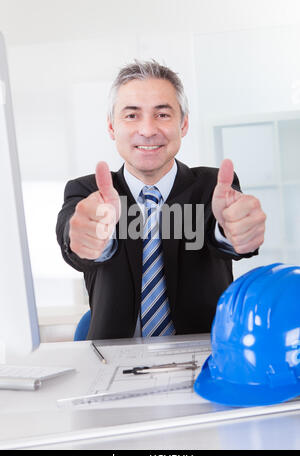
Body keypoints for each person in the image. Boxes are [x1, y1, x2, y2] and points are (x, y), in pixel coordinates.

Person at [56, 60, 266, 340]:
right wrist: (88, 238)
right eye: (131, 116)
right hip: (113, 361)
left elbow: (225, 229)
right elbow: (74, 232)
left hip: (201, 358)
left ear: (184, 124)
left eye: (162, 115)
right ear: (111, 127)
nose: (147, 129)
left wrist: (233, 231)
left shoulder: (212, 187)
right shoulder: (87, 191)